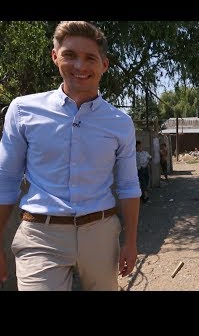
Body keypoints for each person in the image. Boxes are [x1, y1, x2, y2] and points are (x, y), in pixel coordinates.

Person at [0, 21, 141, 291]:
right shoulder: (23, 110)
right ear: (55, 57)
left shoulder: (119, 122)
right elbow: (6, 180)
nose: (80, 66)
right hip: (40, 234)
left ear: (104, 65)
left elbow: (128, 185)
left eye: (90, 58)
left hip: (100, 233)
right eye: (69, 55)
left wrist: (131, 242)